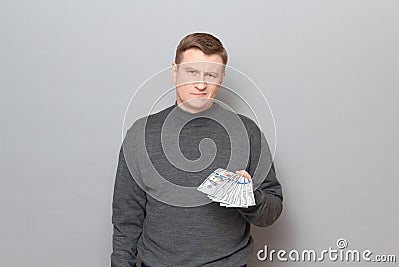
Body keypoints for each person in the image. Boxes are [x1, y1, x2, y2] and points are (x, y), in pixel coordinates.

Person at [111, 32, 283, 267]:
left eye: (210, 74)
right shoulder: (140, 135)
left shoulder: (247, 132)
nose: (201, 84)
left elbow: (271, 212)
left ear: (221, 78)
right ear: (174, 72)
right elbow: (126, 219)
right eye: (192, 72)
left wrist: (248, 197)